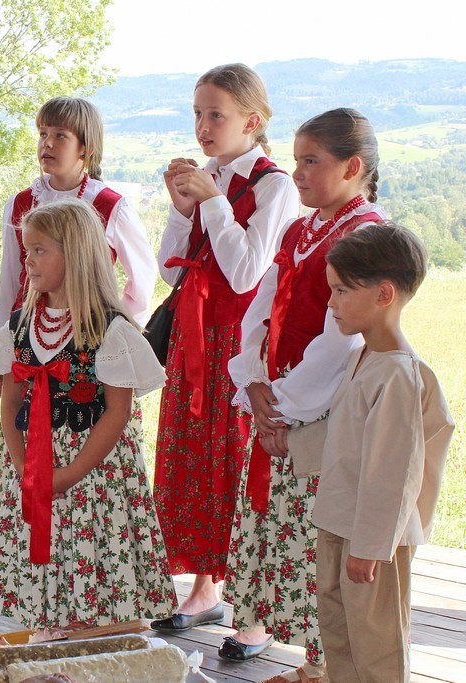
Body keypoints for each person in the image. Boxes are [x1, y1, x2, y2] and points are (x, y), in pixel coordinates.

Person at [223, 109, 387, 678]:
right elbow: (261, 307)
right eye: (295, 160)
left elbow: (341, 339)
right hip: (279, 400)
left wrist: (284, 406)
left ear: (352, 167)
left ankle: (326, 664)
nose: (297, 173)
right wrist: (253, 378)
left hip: (323, 413)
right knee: (285, 532)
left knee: (319, 538)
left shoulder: (365, 235)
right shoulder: (301, 230)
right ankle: (313, 662)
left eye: (311, 161)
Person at [150, 64, 300, 639]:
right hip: (194, 338)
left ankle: (255, 606)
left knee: (239, 459)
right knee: (195, 458)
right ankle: (205, 586)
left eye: (216, 114)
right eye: (198, 113)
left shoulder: (274, 186)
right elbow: (173, 270)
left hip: (241, 341)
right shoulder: (208, 175)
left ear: (252, 121)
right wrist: (181, 209)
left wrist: (213, 203)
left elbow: (245, 274)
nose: (203, 126)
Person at [0, 199, 176, 628]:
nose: (28, 260)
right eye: (26, 250)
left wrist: (68, 474)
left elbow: (117, 413)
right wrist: (21, 463)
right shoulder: (20, 325)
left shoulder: (109, 329)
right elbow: (9, 400)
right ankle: (48, 628)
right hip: (31, 459)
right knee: (44, 547)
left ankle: (95, 633)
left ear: (76, 254)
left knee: (90, 550)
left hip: (90, 469)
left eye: (39, 250)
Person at [314, 223, 454, 682]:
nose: (331, 302)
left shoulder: (398, 374)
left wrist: (371, 548)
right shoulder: (365, 357)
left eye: (341, 290)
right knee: (341, 640)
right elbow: (348, 437)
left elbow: (394, 472)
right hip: (341, 525)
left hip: (374, 543)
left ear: (384, 294)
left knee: (377, 648)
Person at [0, 97, 157, 344]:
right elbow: (11, 277)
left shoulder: (110, 206)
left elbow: (143, 276)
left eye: (60, 135)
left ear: (85, 148)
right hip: (28, 330)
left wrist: (118, 328)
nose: (47, 143)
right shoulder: (21, 203)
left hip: (87, 333)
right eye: (43, 134)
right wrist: (0, 334)